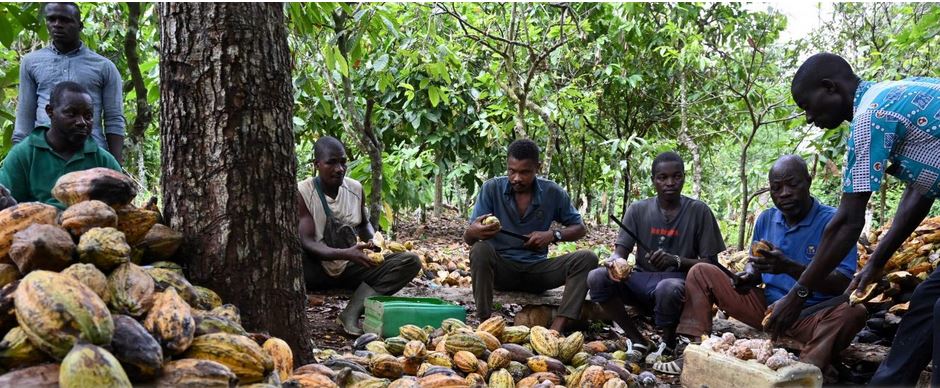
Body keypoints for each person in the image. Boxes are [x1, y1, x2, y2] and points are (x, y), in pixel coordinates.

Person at [767, 52, 939, 386]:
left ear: (829, 87)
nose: (807, 117)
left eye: (807, 105)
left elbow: (848, 221)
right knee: (927, 301)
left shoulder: (870, 116)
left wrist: (798, 294)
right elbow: (921, 190)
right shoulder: (887, 97)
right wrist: (876, 260)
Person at [677, 155, 867, 373]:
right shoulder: (767, 218)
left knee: (854, 312)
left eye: (792, 184)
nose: (784, 193)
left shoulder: (833, 222)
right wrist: (748, 276)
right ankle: (695, 349)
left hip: (811, 315)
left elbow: (841, 283)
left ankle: (804, 370)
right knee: (701, 271)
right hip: (768, 311)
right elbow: (755, 264)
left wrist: (789, 267)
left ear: (809, 180)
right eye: (776, 188)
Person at [587, 151, 726, 357]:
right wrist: (614, 263)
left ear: (683, 178)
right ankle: (637, 340)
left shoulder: (699, 212)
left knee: (667, 288)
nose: (670, 182)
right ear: (653, 180)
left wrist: (676, 261)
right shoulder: (638, 209)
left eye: (676, 176)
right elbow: (620, 252)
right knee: (596, 277)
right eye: (662, 177)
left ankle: (668, 342)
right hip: (641, 281)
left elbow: (710, 265)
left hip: (678, 284)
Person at [464, 139, 596, 333]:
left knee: (587, 258)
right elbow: (469, 239)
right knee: (480, 249)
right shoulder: (491, 189)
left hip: (538, 271)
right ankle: (486, 324)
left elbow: (580, 228)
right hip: (502, 271)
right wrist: (474, 232)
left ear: (538, 168)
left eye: (524, 172)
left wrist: (553, 235)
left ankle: (556, 329)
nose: (516, 178)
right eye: (512, 171)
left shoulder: (552, 192)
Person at [297, 136, 421, 336]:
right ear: (317, 165)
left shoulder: (355, 189)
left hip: (349, 267)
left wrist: (372, 241)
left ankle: (351, 313)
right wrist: (347, 253)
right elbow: (308, 241)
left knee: (410, 262)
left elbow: (363, 225)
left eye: (343, 162)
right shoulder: (303, 191)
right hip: (314, 270)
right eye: (331, 162)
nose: (339, 169)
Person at [15, 2, 125, 164]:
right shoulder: (31, 62)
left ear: (80, 26)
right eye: (51, 19)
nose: (57, 25)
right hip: (42, 153)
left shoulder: (104, 67)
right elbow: (25, 115)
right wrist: (18, 158)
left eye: (65, 20)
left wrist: (115, 165)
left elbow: (114, 119)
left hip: (91, 153)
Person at [0, 81, 121, 209]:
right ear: (50, 111)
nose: (82, 122)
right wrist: (10, 206)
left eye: (88, 116)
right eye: (71, 114)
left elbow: (123, 207)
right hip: (33, 227)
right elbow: (7, 201)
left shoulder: (103, 161)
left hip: (91, 227)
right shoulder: (24, 154)